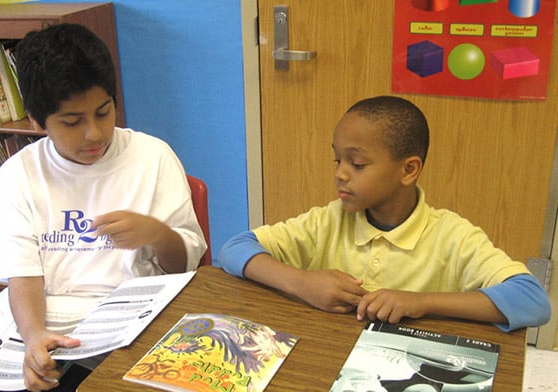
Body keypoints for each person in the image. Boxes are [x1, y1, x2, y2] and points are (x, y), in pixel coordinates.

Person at [0, 23, 206, 392]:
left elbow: (186, 267)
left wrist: (156, 233)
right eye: (72, 122)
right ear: (38, 123)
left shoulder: (151, 157)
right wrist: (34, 337)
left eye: (103, 112)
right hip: (35, 320)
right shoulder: (19, 174)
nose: (94, 133)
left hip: (119, 328)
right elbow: (23, 278)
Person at [218, 95, 550, 331]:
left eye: (357, 163)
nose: (340, 174)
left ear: (409, 170)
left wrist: (421, 302)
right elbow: (235, 249)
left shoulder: (452, 236)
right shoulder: (329, 220)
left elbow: (532, 300)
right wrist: (302, 282)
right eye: (338, 160)